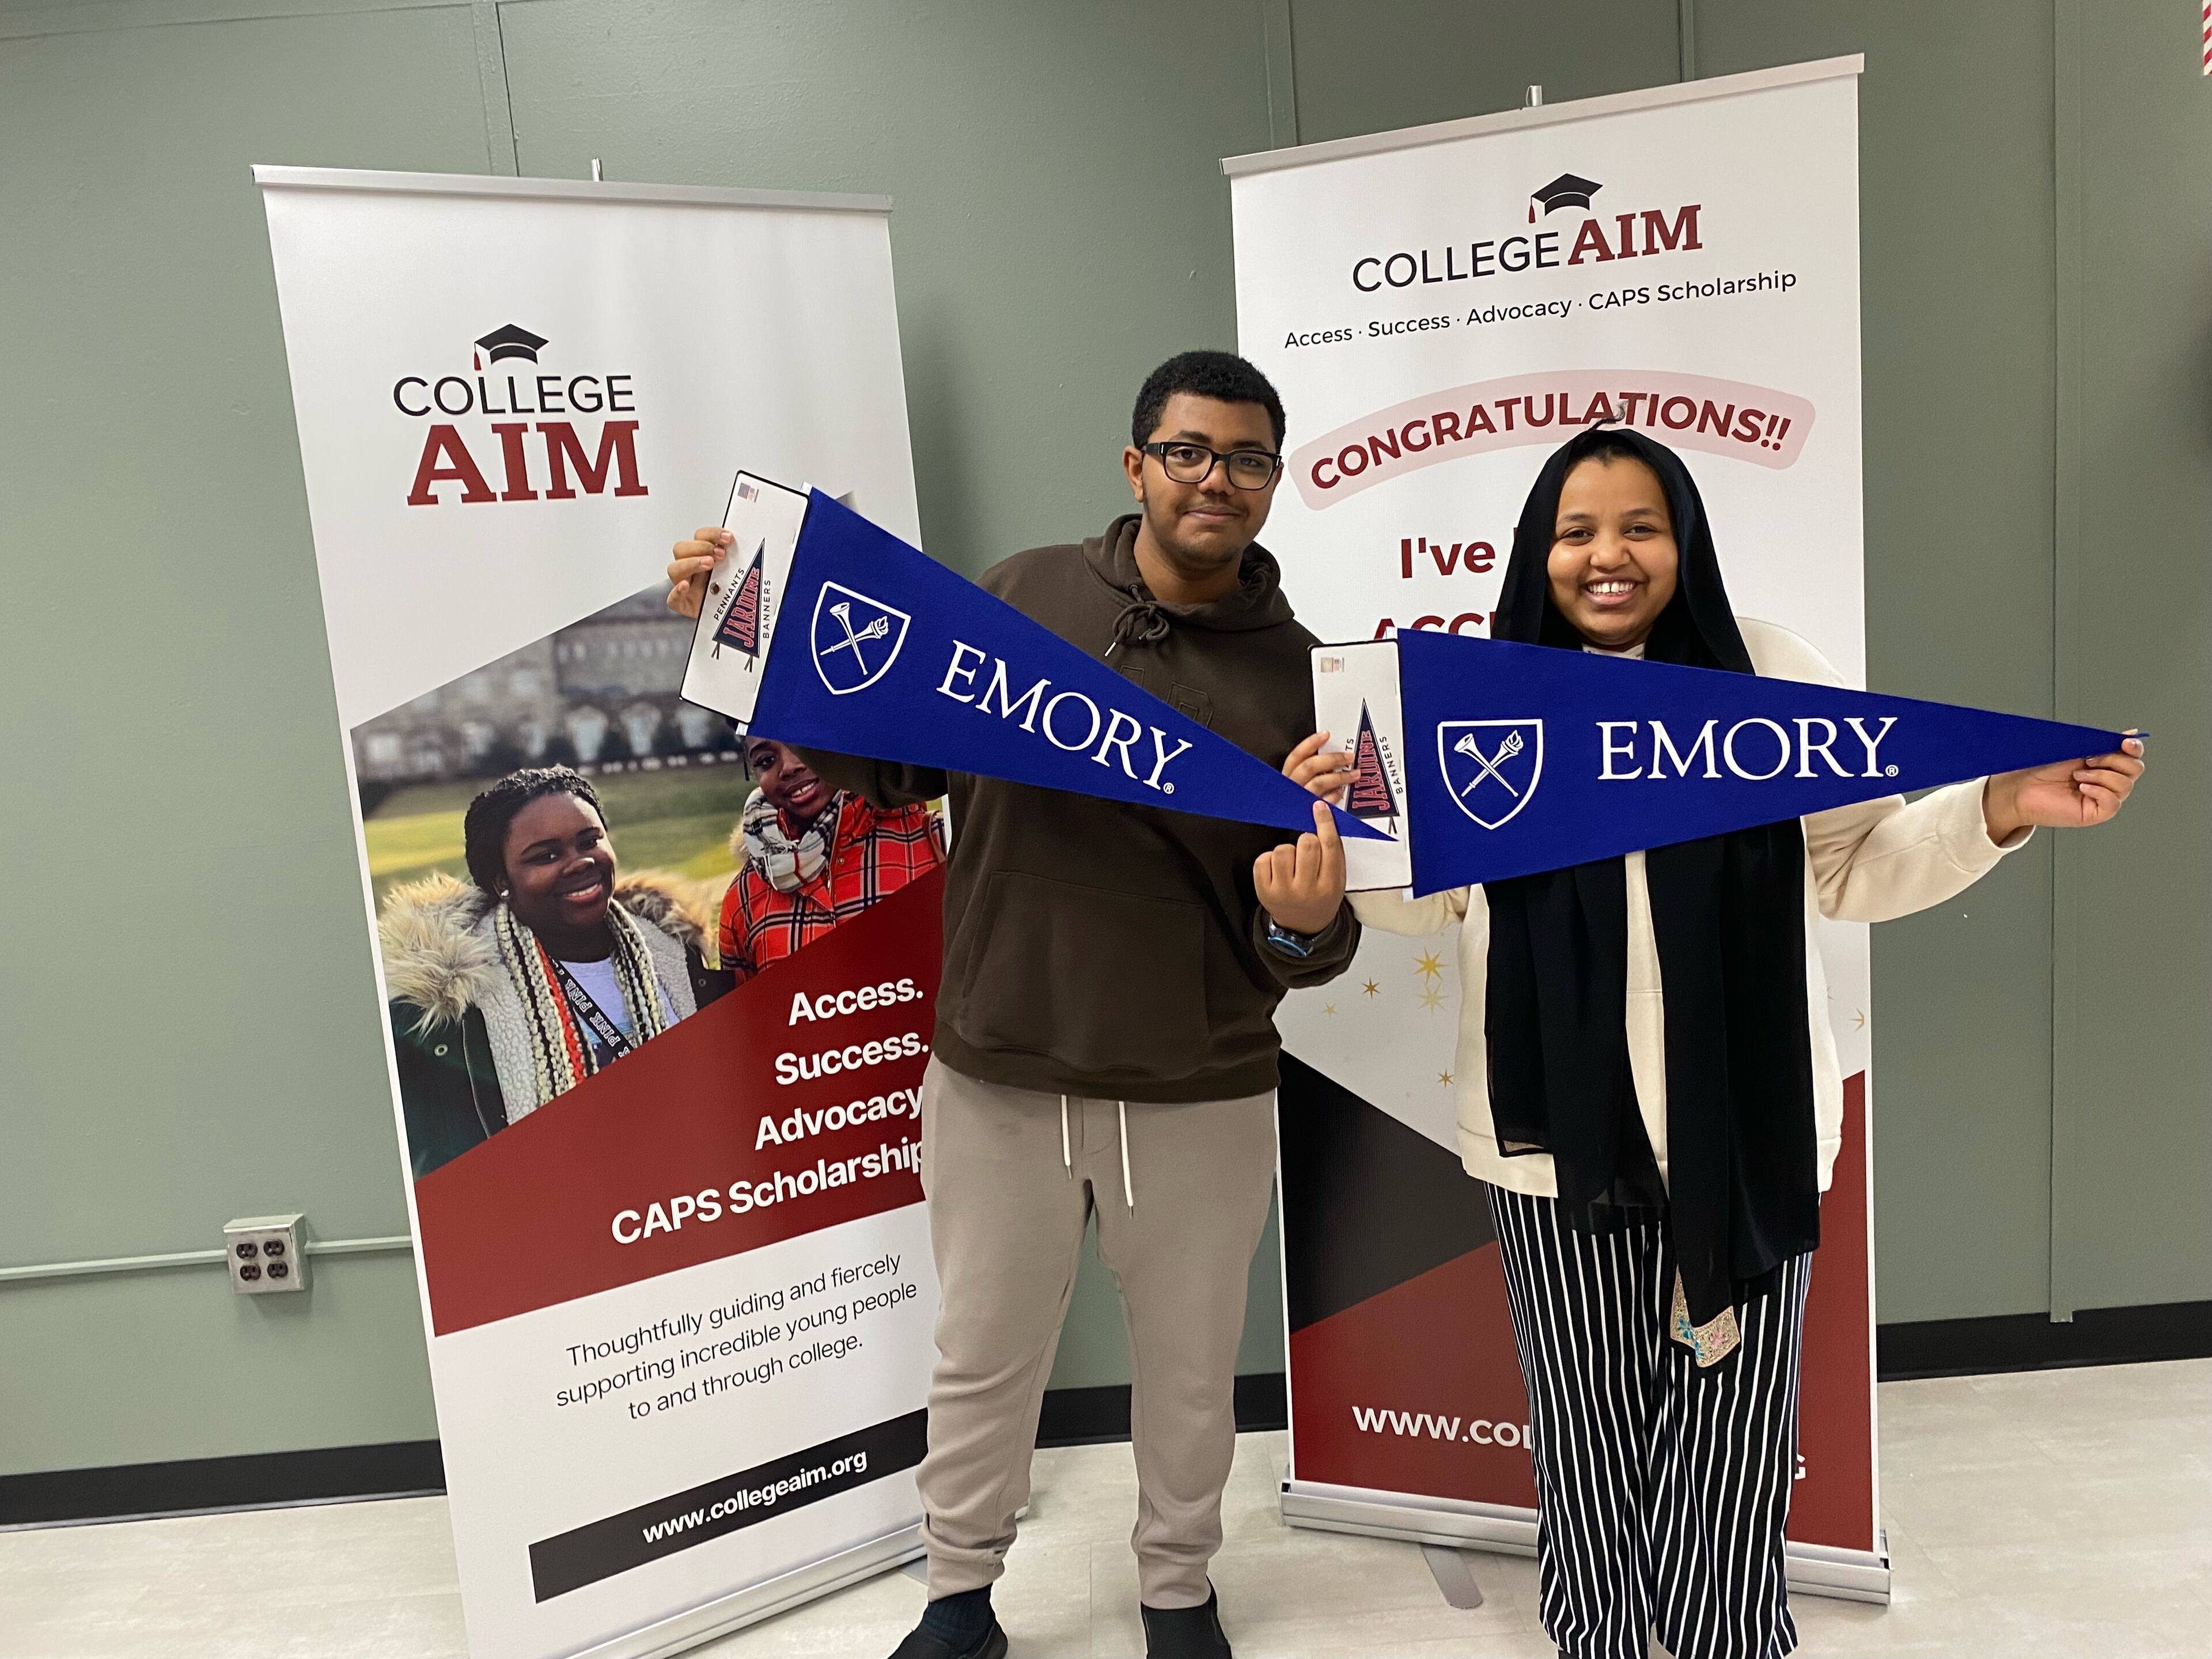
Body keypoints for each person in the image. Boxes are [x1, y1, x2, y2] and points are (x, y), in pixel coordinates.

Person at [1346, 426, 2145, 1659]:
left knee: (1733, 1427)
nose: (1608, 557)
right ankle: (1600, 1639)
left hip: (1753, 1129)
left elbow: (1855, 866)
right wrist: (1346, 814)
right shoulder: (1472, 700)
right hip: (1553, 1143)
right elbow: (1413, 897)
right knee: (1586, 1425)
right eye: (1576, 532)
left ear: (1685, 544)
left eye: (1640, 528)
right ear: (1537, 551)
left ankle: (1725, 1638)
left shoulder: (1770, 675)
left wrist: (1997, 808)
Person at [668, 351, 1357, 1659]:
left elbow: (1310, 937)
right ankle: (956, 1596)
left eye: (1246, 457)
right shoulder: (1021, 595)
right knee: (979, 1356)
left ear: (1274, 477)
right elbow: (885, 766)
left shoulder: (1313, 683)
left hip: (1197, 1081)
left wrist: (1304, 913)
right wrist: (738, 633)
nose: (1216, 476)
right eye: (1189, 449)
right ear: (1136, 462)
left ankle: (1175, 1591)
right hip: (994, 1066)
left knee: (1190, 1373)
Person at [382, 766, 730, 1179]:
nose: (579, 863)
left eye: (590, 841)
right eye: (546, 856)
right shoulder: (446, 1016)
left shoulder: (678, 958)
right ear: (501, 882)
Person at [721, 734, 944, 984]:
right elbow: (746, 1018)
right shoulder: (743, 898)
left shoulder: (936, 842)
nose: (791, 766)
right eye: (767, 760)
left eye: (806, 745)